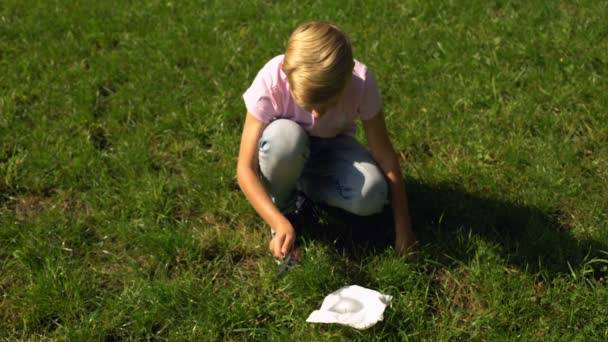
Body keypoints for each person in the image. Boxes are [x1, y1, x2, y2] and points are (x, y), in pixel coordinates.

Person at [237, 21, 417, 264]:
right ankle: (287, 208)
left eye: (328, 104)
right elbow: (245, 169)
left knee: (372, 194)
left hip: (334, 148)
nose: (317, 115)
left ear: (348, 75)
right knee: (285, 140)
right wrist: (278, 222)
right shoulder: (271, 81)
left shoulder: (361, 81)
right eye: (308, 105)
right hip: (286, 151)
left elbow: (384, 154)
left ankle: (308, 192)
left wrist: (403, 228)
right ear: (284, 71)